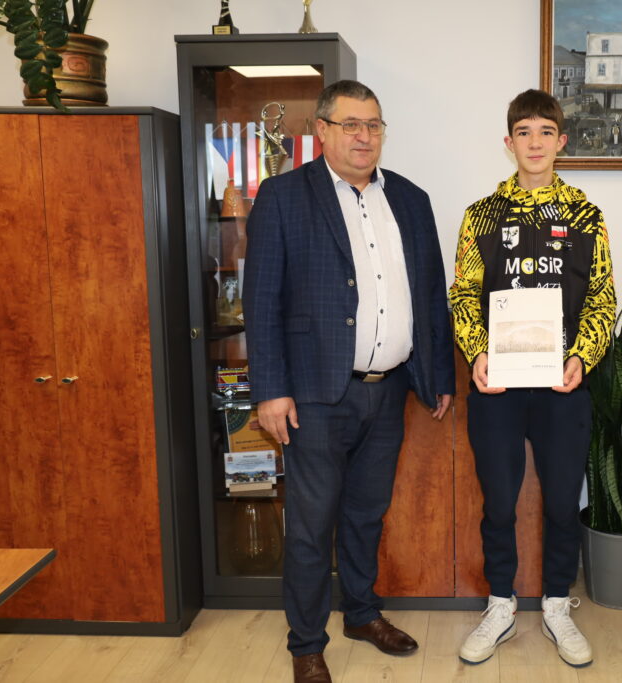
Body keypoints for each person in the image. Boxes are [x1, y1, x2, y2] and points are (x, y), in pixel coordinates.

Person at [243, 79, 455, 683]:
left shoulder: (410, 199)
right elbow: (261, 301)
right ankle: (307, 643)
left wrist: (439, 374)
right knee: (312, 527)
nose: (364, 136)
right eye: (351, 125)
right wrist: (270, 390)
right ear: (323, 131)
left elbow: (430, 295)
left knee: (366, 514)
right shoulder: (284, 196)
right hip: (313, 395)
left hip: (388, 390)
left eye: (374, 125)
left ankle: (361, 613)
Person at [449, 89, 616, 668]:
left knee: (563, 503)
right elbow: (463, 294)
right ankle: (500, 604)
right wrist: (477, 352)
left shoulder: (586, 216)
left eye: (546, 131)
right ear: (509, 142)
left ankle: (555, 606)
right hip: (497, 386)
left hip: (562, 386)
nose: (535, 142)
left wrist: (582, 358)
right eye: (524, 132)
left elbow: (601, 300)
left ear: (561, 141)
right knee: (498, 500)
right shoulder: (481, 215)